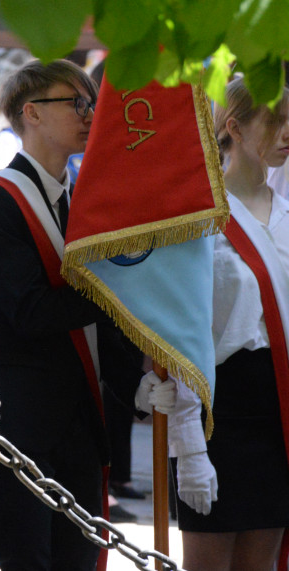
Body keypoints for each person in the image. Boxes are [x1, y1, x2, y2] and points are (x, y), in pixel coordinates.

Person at [0, 59, 161, 570]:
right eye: (75, 103)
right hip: (24, 420)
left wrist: (136, 384)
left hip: (82, 418)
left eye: (91, 103)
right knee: (29, 556)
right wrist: (121, 286)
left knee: (80, 558)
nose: (89, 114)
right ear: (31, 113)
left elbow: (100, 322)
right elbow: (28, 311)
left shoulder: (83, 199)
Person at [158, 77, 289, 571]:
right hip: (221, 408)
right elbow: (183, 330)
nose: (286, 132)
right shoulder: (200, 216)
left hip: (278, 403)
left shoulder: (287, 215)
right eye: (274, 119)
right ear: (233, 126)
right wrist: (188, 445)